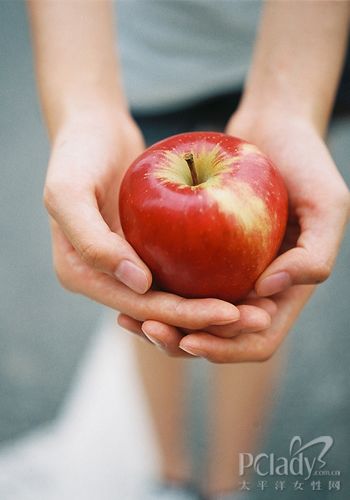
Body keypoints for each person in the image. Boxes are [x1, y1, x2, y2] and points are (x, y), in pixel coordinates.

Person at [28, 1, 350, 499]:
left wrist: (290, 105)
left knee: (249, 310)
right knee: (152, 299)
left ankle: (227, 484)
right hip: (152, 64)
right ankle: (169, 473)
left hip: (290, 54)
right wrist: (85, 109)